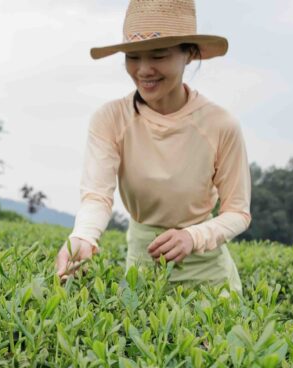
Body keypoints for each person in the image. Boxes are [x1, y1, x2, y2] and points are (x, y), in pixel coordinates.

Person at [54, 0, 251, 294]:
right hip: (141, 272)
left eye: (158, 55)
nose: (144, 70)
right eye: (133, 57)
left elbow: (238, 212)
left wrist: (193, 237)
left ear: (190, 54)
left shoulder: (220, 125)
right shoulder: (111, 119)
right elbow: (97, 196)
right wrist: (83, 237)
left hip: (208, 278)